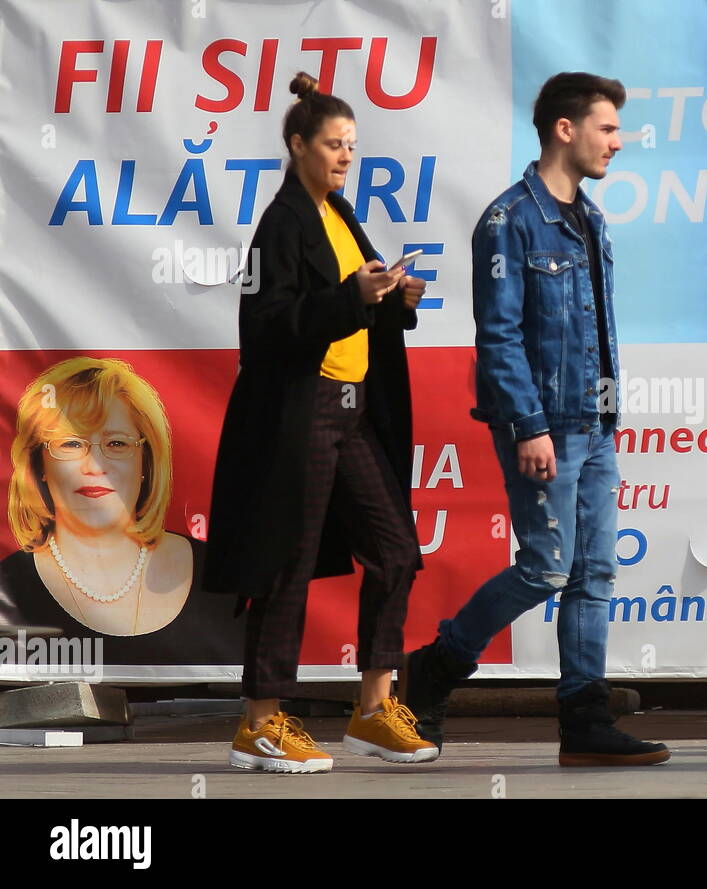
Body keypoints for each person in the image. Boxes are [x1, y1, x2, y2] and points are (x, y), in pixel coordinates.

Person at [400, 72, 670, 767]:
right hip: (544, 423)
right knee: (548, 569)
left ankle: (584, 718)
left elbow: (594, 328)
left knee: (595, 571)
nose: (617, 142)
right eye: (607, 129)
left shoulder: (590, 217)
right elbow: (499, 335)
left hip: (596, 422)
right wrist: (528, 425)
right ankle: (433, 668)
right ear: (565, 129)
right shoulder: (510, 220)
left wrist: (607, 414)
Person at [204, 72, 432, 773]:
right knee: (286, 563)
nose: (344, 157)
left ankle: (371, 710)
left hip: (353, 411)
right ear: (297, 144)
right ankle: (260, 723)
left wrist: (392, 298)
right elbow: (266, 326)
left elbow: (348, 305)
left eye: (352, 146)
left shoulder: (337, 213)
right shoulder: (282, 222)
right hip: (299, 413)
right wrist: (348, 296)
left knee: (395, 552)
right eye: (333, 144)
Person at [0, 357, 239, 665]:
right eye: (71, 444)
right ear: (39, 464)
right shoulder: (6, 585)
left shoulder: (223, 576)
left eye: (116, 443)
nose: (94, 466)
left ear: (146, 463)